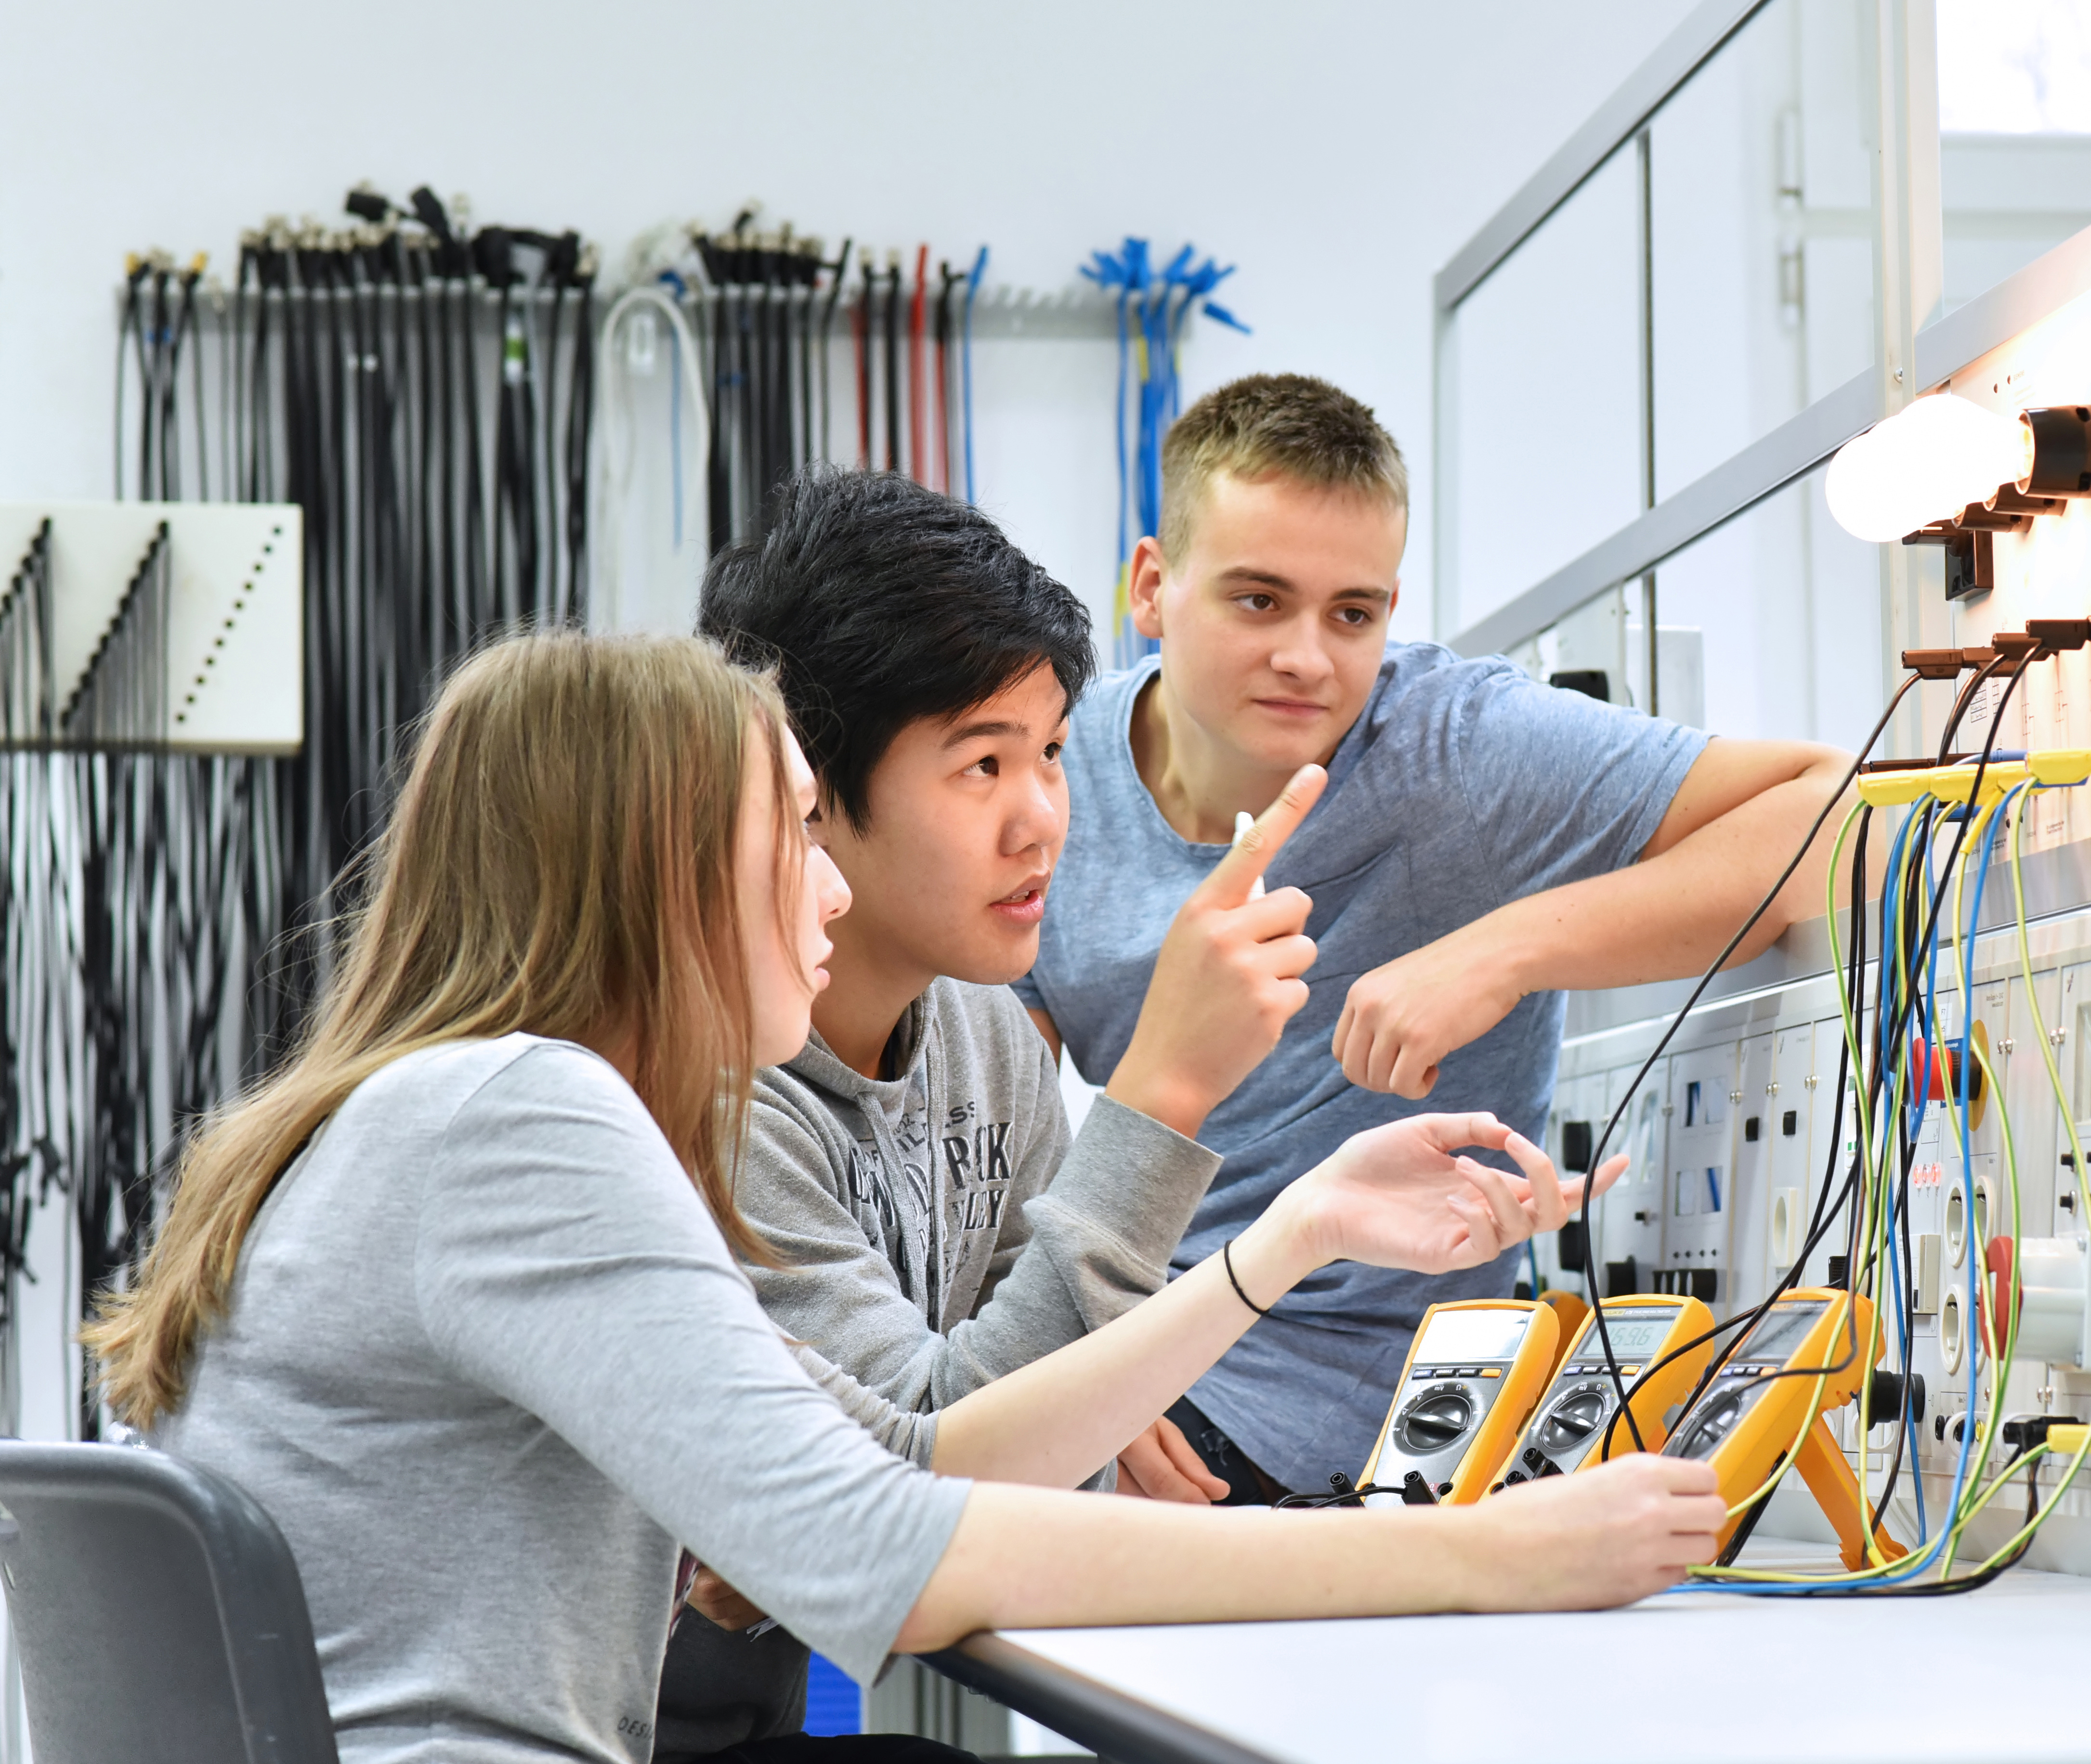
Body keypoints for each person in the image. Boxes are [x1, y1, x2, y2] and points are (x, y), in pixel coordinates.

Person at [91, 632, 1722, 1764]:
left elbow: (911, 1456)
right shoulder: (521, 1115)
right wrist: (1478, 1559)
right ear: (659, 869)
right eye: (792, 827)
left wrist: (1290, 1240)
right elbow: (892, 1545)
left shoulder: (443, 1115)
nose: (825, 883)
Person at [1018, 373, 1855, 1500]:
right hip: (1125, 1354)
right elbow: (992, 1128)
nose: (1309, 657)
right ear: (1153, 588)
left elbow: (1843, 810)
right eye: (1259, 601)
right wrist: (1099, 1352)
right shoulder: (1054, 791)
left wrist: (1503, 949)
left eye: (1352, 613)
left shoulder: (1459, 750)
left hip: (1343, 1412)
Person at [666, 471, 1360, 1758]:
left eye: (1049, 752)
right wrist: (1165, 1089)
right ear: (803, 787)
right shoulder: (704, 1085)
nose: (1042, 816)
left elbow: (1035, 1436)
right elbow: (930, 1489)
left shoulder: (987, 1038)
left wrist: (1083, 1395)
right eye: (982, 762)